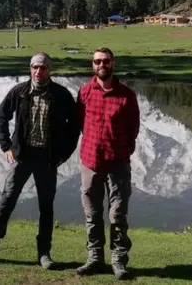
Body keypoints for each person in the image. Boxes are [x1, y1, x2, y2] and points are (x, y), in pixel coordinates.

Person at [0, 52, 79, 270]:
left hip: (48, 160)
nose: (39, 72)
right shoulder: (19, 92)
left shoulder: (61, 95)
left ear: (50, 70)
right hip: (22, 157)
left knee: (46, 206)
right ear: (30, 69)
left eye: (43, 68)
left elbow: (74, 126)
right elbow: (1, 116)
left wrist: (63, 154)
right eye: (35, 67)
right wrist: (6, 145)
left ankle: (44, 254)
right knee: (7, 200)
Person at [74, 47, 140, 280]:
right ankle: (94, 258)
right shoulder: (84, 92)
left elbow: (133, 129)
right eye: (97, 61)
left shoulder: (127, 95)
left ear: (113, 63)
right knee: (92, 214)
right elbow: (81, 123)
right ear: (93, 65)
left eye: (106, 61)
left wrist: (122, 151)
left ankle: (119, 261)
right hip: (90, 162)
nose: (101, 65)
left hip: (117, 163)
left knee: (117, 214)